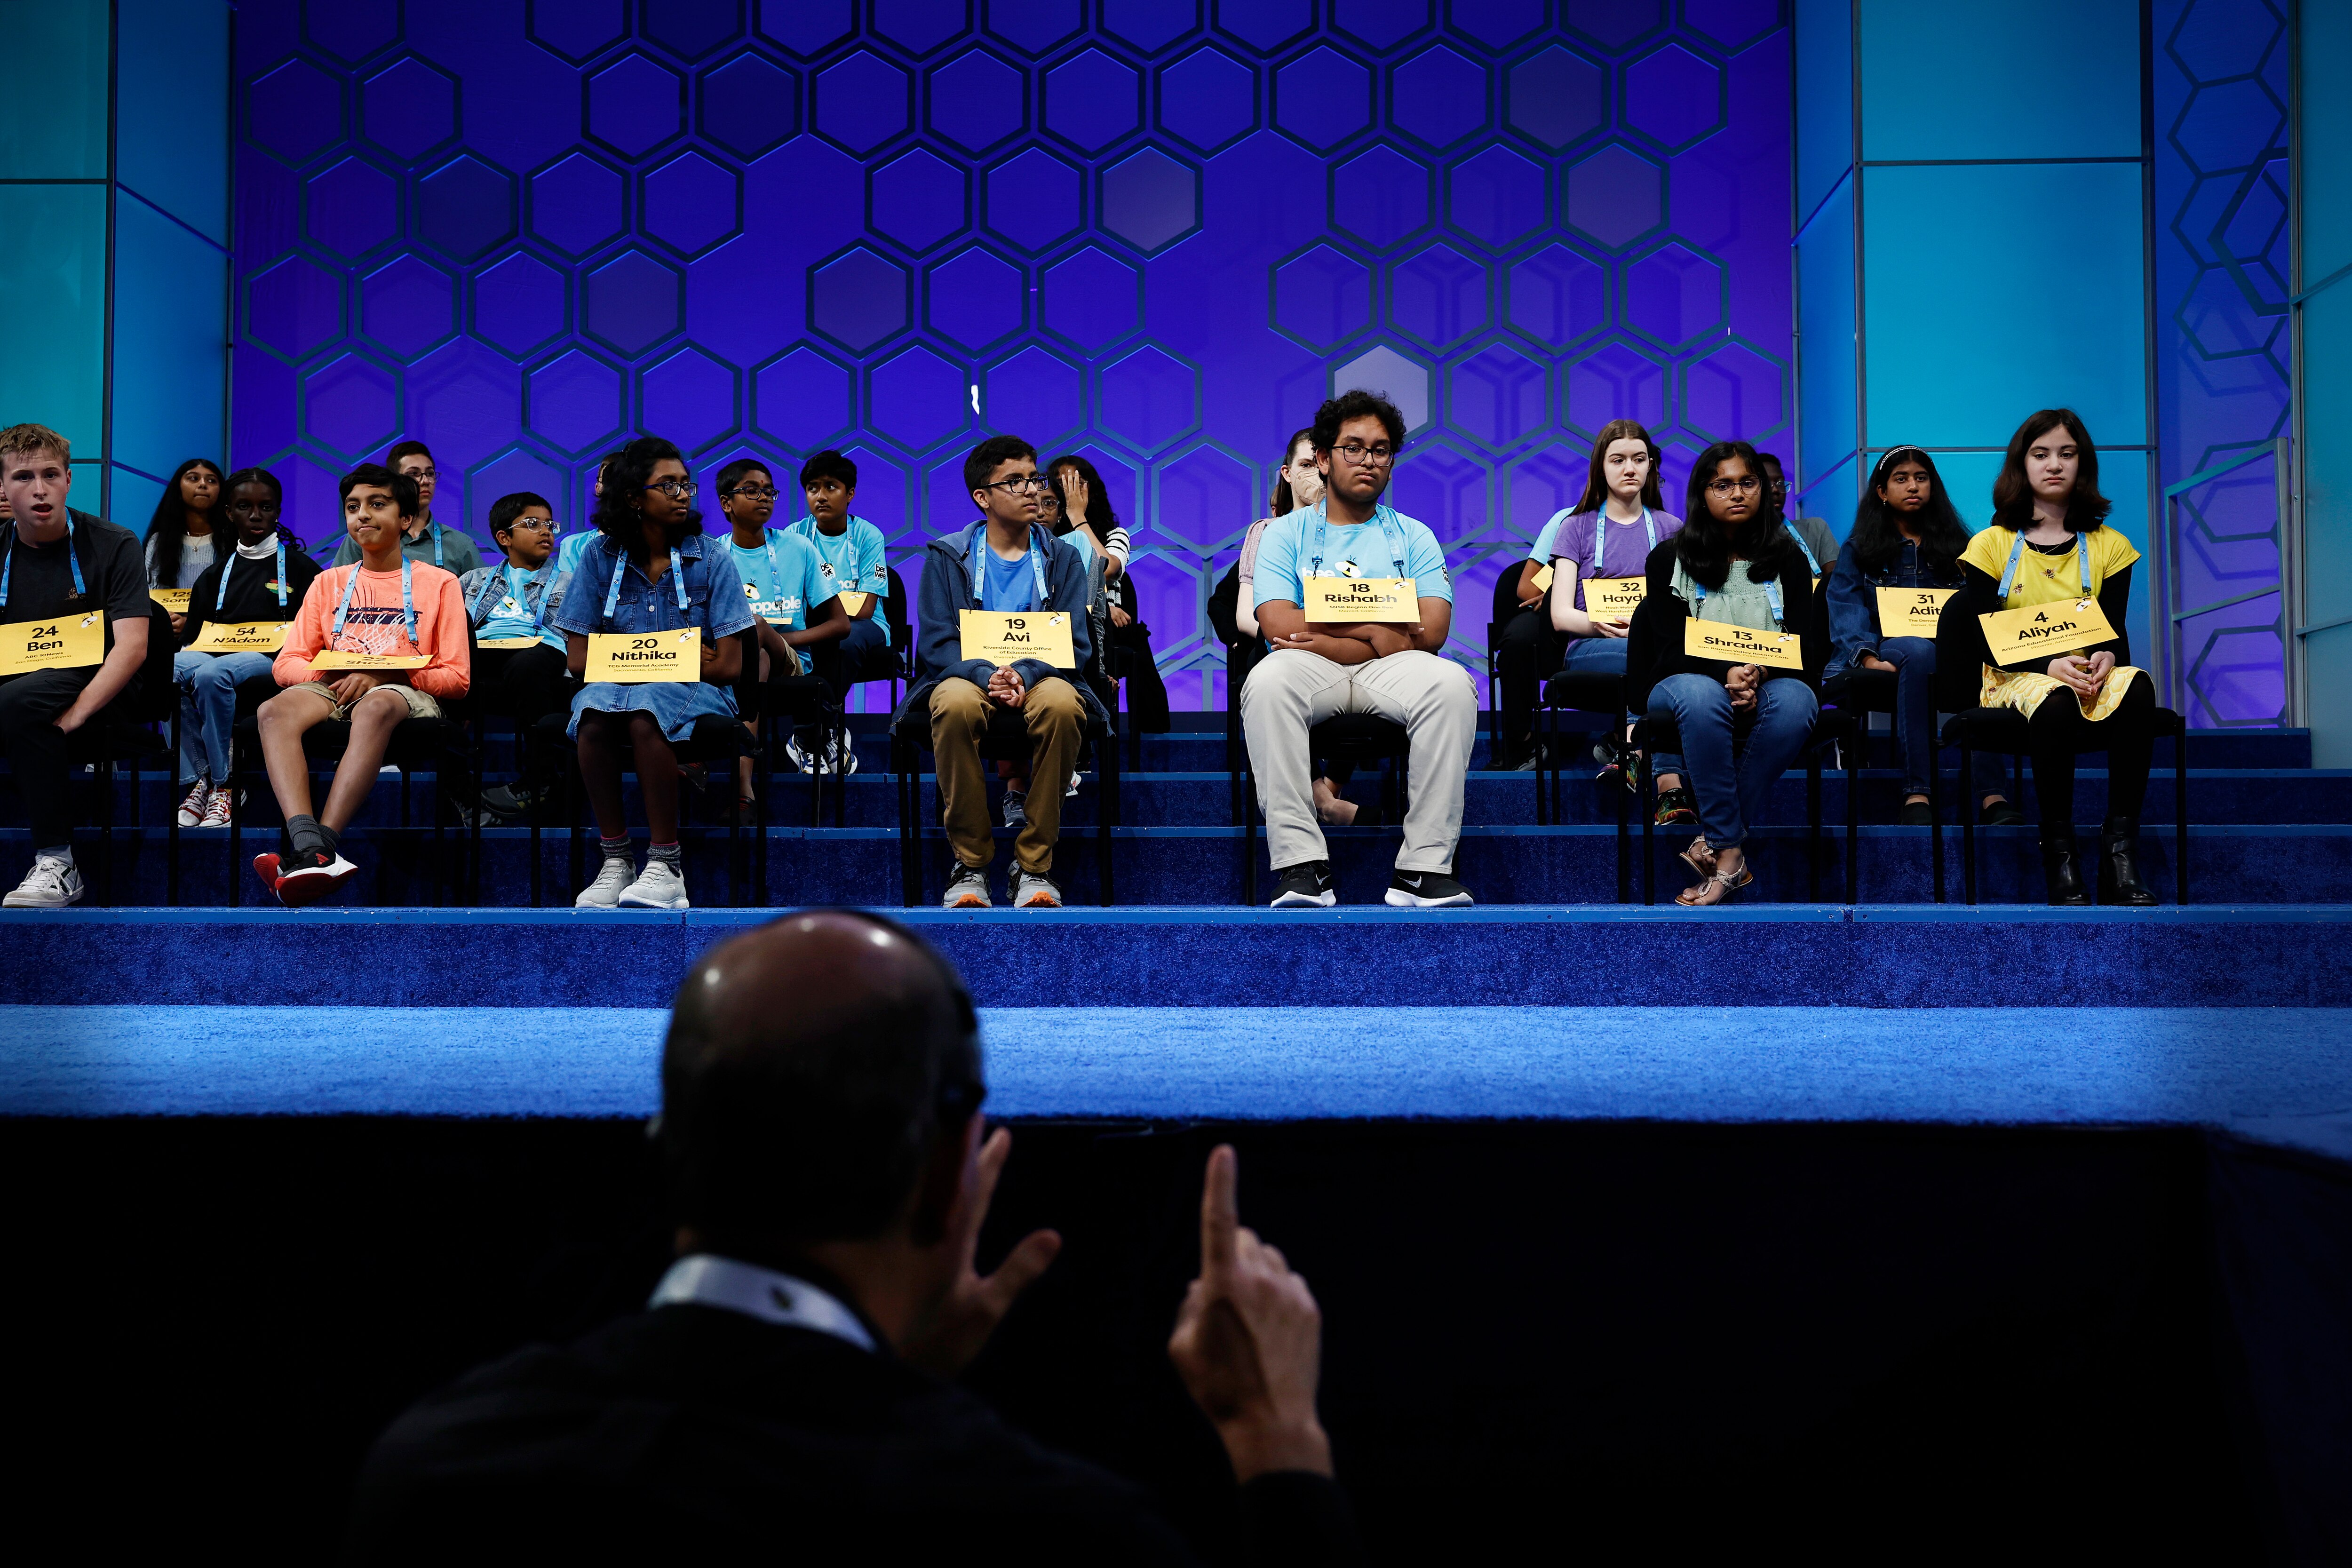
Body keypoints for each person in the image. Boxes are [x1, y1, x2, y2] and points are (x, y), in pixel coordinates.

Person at [345, 911, 1358, 1562]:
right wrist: (1278, 1443)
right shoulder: (1057, 1542)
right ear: (945, 1175)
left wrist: (877, 1369)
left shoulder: (431, 1478)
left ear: (670, 1148)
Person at [1243, 389, 1477, 909]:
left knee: (1451, 684)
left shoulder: (1414, 537)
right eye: (1353, 447)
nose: (1368, 460)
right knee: (1267, 680)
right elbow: (1277, 623)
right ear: (1324, 459)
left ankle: (1422, 870)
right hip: (1314, 666)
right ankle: (1301, 867)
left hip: (1391, 669)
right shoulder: (1284, 534)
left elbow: (1432, 630)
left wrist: (1328, 628)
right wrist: (1378, 631)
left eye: (1380, 449)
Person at [1946, 409, 2159, 907]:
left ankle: (2119, 855)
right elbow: (1981, 637)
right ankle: (2059, 857)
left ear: (2082, 464)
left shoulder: (2110, 545)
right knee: (2057, 698)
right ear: (2021, 465)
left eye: (2066, 454)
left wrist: (2106, 658)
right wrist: (2046, 666)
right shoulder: (1991, 544)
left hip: (2083, 672)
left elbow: (2112, 633)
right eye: (2040, 454)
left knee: (2138, 684)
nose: (2054, 465)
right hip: (2011, 676)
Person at [253, 464, 470, 907]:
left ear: (406, 520)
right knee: (271, 710)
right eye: (353, 507)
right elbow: (286, 664)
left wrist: (385, 674)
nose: (363, 516)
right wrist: (336, 673)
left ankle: (323, 845)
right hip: (334, 685)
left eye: (377, 505)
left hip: (405, 692)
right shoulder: (327, 582)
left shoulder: (440, 583)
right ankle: (308, 844)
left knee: (376, 705)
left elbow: (457, 678)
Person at [899, 435, 1098, 910]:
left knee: (1062, 705)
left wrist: (1023, 675)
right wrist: (986, 674)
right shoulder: (946, 557)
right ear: (982, 498)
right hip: (969, 677)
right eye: (1015, 482)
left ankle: (1033, 865)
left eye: (1034, 478)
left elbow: (1074, 643)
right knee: (949, 704)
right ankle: (969, 863)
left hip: (1041, 675)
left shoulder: (1063, 557)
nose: (1032, 490)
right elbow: (936, 643)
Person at [553, 437, 750, 911]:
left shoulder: (711, 557)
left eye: (686, 484)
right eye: (668, 485)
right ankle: (617, 860)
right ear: (633, 497)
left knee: (645, 709)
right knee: (593, 712)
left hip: (698, 693)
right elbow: (579, 660)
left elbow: (727, 664)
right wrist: (677, 650)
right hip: (613, 686)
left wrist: (630, 655)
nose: (683, 494)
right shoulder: (599, 557)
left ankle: (666, 866)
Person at [1625, 440, 1820, 907]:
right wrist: (1726, 673)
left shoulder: (1789, 559)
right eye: (1723, 485)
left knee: (1799, 702)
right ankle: (1729, 846)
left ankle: (1721, 849)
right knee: (1700, 695)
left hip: (1766, 680)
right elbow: (1670, 647)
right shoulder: (1668, 558)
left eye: (1747, 483)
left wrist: (1756, 674)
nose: (1737, 494)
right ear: (1701, 493)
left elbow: (1807, 648)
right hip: (1679, 684)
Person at [1823, 448, 2018, 827]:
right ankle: (1917, 792)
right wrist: (1865, 657)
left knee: (1986, 656)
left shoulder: (1963, 545)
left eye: (1921, 477)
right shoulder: (1859, 547)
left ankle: (1993, 796)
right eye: (1901, 478)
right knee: (1916, 649)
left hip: (1951, 651)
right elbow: (1845, 606)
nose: (1913, 485)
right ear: (1882, 491)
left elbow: (1979, 607)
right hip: (1888, 646)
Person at [0, 424, 151, 909]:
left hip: (96, 678)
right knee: (16, 698)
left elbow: (131, 647)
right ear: (3, 488)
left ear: (69, 479)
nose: (39, 489)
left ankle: (59, 863)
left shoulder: (113, 542)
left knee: (19, 702)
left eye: (50, 475)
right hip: (18, 675)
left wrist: (79, 714)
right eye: (23, 477)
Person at [1534, 419, 1684, 779]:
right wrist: (1597, 624)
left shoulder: (1672, 528)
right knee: (1653, 660)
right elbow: (1560, 615)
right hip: (1591, 645)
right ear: (1601, 467)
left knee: (1662, 658)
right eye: (1618, 460)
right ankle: (1655, 767)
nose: (1630, 468)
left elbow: (1685, 607)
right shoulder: (1577, 527)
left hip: (1650, 646)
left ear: (1651, 466)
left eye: (1639, 459)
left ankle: (1633, 751)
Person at [174, 468, 323, 829]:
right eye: (244, 506)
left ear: (278, 512)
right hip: (215, 652)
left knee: (212, 674)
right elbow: (192, 637)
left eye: (266, 507)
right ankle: (201, 778)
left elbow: (318, 634)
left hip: (273, 659)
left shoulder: (304, 570)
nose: (256, 516)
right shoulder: (215, 574)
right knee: (167, 667)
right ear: (229, 512)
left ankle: (226, 783)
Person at [1237, 429, 1367, 826]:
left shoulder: (1358, 529)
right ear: (1288, 473)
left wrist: (1333, 636)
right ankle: (1316, 800)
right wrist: (1296, 633)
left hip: (1346, 651)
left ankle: (1329, 790)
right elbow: (1247, 616)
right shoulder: (1266, 532)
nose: (1316, 475)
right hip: (1283, 643)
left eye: (1321, 464)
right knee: (1272, 666)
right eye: (1306, 465)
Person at [716, 457, 846, 806]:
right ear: (727, 503)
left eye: (769, 491)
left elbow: (840, 623)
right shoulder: (714, 555)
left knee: (755, 629)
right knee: (755, 651)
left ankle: (730, 770)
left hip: (791, 659)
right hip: (740, 661)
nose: (764, 498)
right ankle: (745, 786)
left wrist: (781, 639)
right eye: (751, 491)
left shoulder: (798, 548)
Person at [456, 492, 573, 820]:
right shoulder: (472, 580)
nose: (546, 531)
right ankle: (463, 794)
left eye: (550, 524)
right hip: (484, 654)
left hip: (541, 653)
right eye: (533, 524)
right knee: (443, 673)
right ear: (504, 537)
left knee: (528, 662)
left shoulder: (570, 581)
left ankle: (541, 777)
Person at [785, 448, 896, 760]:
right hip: (818, 625)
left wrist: (820, 612)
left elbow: (864, 608)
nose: (821, 496)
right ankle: (823, 732)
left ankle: (811, 734)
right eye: (813, 488)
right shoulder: (794, 535)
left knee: (842, 640)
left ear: (850, 494)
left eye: (831, 487)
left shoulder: (868, 535)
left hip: (866, 627)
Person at [1051, 453, 1170, 733]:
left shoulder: (1115, 534)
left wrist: (1077, 517)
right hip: (1061, 623)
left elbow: (1107, 569)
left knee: (1122, 635)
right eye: (1061, 484)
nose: (1068, 492)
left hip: (1108, 626)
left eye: (1075, 483)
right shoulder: (1044, 535)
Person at [330, 440, 483, 575]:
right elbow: (338, 590)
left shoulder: (460, 544)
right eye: (414, 474)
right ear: (395, 482)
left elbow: (482, 599)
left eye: (430, 473)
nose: (425, 481)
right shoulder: (365, 534)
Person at [141, 458, 224, 616]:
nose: (203, 484)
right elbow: (151, 593)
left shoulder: (232, 540)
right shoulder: (159, 541)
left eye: (212, 481)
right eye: (193, 478)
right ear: (178, 489)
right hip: (168, 629)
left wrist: (192, 624)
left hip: (216, 632)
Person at [1755, 452, 1839, 578]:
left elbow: (1835, 586)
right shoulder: (1742, 539)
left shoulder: (1815, 529)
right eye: (1767, 484)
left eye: (1780, 483)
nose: (1775, 490)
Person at [553, 450, 624, 578]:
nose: (614, 488)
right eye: (608, 480)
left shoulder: (653, 547)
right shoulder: (572, 546)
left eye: (622, 481)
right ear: (597, 488)